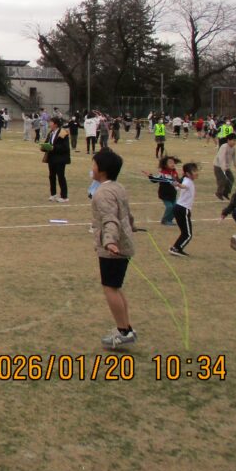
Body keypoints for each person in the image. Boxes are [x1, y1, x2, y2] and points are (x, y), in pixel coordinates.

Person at [89, 148, 138, 349]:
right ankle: (125, 328)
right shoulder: (118, 187)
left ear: (102, 169)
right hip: (123, 243)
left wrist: (110, 241)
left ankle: (123, 331)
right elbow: (125, 214)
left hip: (114, 247)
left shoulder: (102, 193)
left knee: (110, 287)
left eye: (93, 164)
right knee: (115, 286)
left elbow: (110, 219)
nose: (91, 168)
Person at [169, 162, 198, 257]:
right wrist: (177, 184)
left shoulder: (185, 179)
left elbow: (179, 187)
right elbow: (183, 186)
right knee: (188, 234)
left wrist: (176, 184)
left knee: (184, 232)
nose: (196, 173)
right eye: (194, 171)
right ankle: (177, 249)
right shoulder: (187, 182)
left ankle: (175, 248)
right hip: (183, 209)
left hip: (178, 208)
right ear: (187, 173)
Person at [144, 156, 180, 226]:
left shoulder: (174, 173)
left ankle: (169, 220)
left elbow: (178, 181)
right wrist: (150, 175)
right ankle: (165, 220)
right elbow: (155, 180)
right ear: (165, 165)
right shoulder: (162, 174)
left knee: (175, 207)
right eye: (170, 163)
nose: (172, 164)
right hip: (164, 194)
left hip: (173, 194)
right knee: (169, 207)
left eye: (173, 162)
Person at [45, 116, 71, 203]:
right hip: (51, 158)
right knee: (51, 176)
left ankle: (64, 196)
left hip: (60, 158)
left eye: (51, 122)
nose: (49, 124)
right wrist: (44, 147)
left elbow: (65, 147)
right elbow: (47, 142)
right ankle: (53, 194)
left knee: (60, 176)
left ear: (55, 124)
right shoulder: (51, 133)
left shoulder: (63, 132)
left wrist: (53, 148)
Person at [212, 133, 236, 200]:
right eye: (233, 140)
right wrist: (223, 167)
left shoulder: (233, 148)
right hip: (218, 166)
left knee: (231, 179)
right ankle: (219, 193)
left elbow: (234, 158)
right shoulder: (224, 147)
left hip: (226, 167)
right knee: (222, 180)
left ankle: (226, 193)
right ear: (228, 140)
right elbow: (221, 157)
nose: (234, 142)